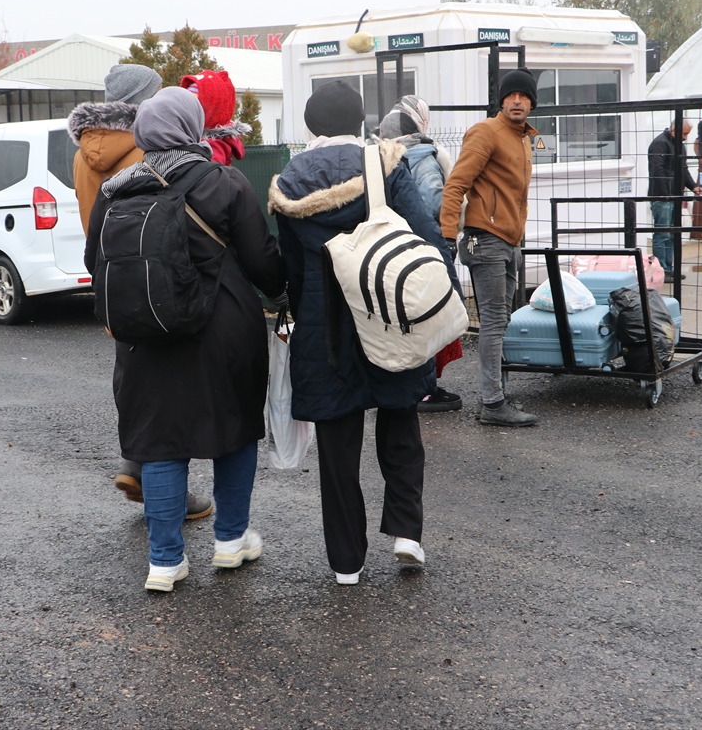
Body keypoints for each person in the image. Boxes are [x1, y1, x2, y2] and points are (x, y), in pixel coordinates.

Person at [84, 88, 287, 591]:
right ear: (193, 129)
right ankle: (229, 542)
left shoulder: (114, 191)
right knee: (235, 431)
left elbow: (95, 263)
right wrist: (286, 292)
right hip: (223, 332)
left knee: (159, 445)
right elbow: (262, 261)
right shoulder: (222, 182)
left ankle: (164, 560)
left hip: (143, 336)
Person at [267, 80, 457, 585]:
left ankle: (346, 562)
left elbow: (290, 268)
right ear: (359, 122)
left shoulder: (287, 182)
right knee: (399, 421)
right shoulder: (384, 164)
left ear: (310, 125)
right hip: (387, 309)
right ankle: (406, 533)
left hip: (322, 324)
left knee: (337, 443)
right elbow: (424, 233)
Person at [71, 66, 213, 521]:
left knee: (132, 377)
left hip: (114, 278)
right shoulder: (146, 150)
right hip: (157, 280)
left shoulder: (82, 153)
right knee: (168, 388)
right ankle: (161, 487)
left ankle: (134, 462)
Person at [439, 70, 541, 428]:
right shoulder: (487, 132)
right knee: (495, 322)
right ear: (501, 101)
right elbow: (455, 185)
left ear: (532, 102)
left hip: (510, 241)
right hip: (486, 239)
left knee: (502, 320)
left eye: (523, 96)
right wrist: (448, 234)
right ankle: (492, 403)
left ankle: (494, 392)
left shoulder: (525, 138)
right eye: (510, 95)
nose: (516, 101)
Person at [378, 96, 463, 412]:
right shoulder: (424, 156)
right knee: (425, 318)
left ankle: (414, 386)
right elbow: (434, 204)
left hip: (393, 252)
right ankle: (425, 390)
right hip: (424, 251)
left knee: (404, 320)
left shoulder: (381, 159)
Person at [69, 64, 161, 233]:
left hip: (99, 255)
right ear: (143, 100)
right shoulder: (151, 150)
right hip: (146, 254)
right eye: (157, 93)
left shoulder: (80, 156)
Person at [647, 122, 702, 283]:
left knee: (673, 234)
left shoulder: (679, 145)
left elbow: (683, 169)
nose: (685, 138)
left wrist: (693, 187)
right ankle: (662, 270)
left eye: (687, 134)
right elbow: (657, 171)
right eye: (684, 134)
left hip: (675, 196)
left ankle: (669, 268)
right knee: (663, 234)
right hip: (662, 196)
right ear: (675, 130)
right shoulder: (659, 143)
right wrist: (666, 194)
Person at [181, 69, 250, 166]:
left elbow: (206, 175)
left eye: (191, 107)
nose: (184, 112)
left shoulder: (214, 147)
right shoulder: (194, 138)